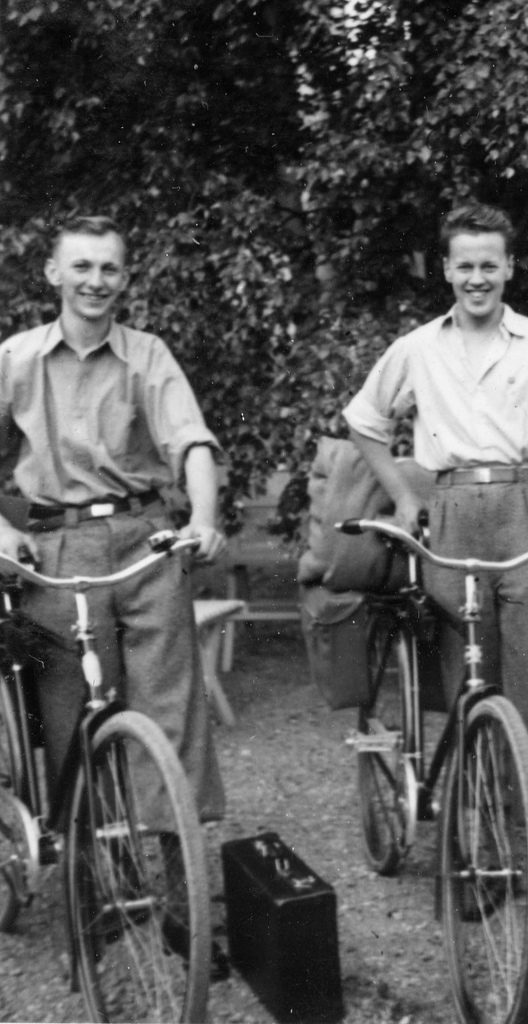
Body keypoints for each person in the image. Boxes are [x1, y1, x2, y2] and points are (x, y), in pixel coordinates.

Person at [343, 202, 528, 952]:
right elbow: (364, 420)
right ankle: (488, 860)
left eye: (488, 263)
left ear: (508, 268)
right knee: (472, 689)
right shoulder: (417, 348)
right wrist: (403, 493)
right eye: (463, 264)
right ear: (445, 270)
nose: (476, 278)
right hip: (453, 509)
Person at [0, 214, 229, 972]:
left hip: (143, 543)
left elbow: (189, 439)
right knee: (70, 727)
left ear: (125, 279)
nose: (96, 281)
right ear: (54, 275)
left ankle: (182, 899)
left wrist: (201, 516)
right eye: (83, 267)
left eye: (110, 269)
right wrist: (1, 533)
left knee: (172, 716)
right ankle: (87, 897)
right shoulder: (18, 360)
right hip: (56, 550)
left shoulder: (147, 356)